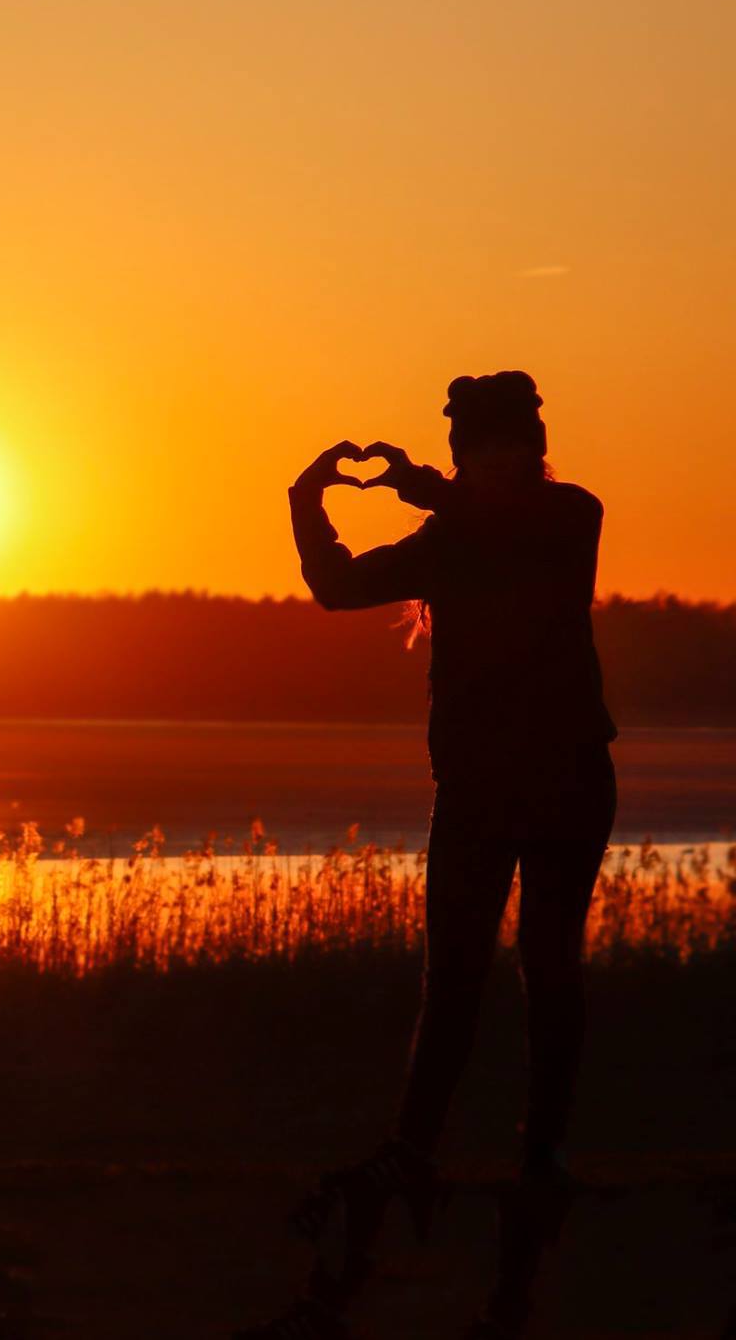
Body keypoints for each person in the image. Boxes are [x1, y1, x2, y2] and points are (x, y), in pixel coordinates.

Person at [256, 371, 616, 1337]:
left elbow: (512, 529)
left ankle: (537, 1156)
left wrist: (427, 491)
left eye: (499, 446)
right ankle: (416, 1150)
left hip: (561, 779)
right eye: (476, 449)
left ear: (528, 449)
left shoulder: (565, 515)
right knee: (453, 977)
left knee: (548, 965)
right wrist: (307, 503)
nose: (487, 462)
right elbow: (337, 587)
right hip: (491, 787)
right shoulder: (459, 532)